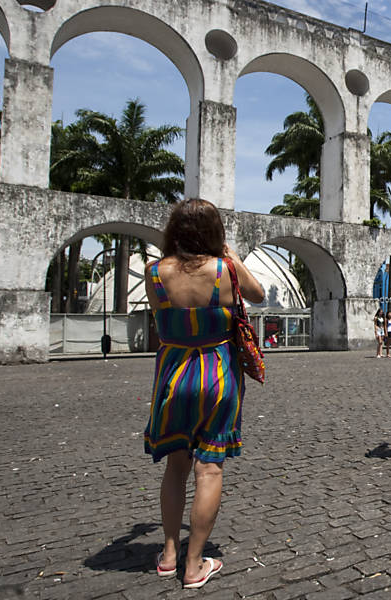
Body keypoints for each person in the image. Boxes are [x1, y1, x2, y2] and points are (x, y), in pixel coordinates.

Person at [143, 199, 264, 589]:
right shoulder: (224, 270)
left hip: (172, 376)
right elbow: (258, 294)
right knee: (208, 469)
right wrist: (231, 256)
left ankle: (168, 554)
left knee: (175, 467)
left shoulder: (154, 273)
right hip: (217, 374)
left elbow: (162, 320)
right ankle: (195, 564)